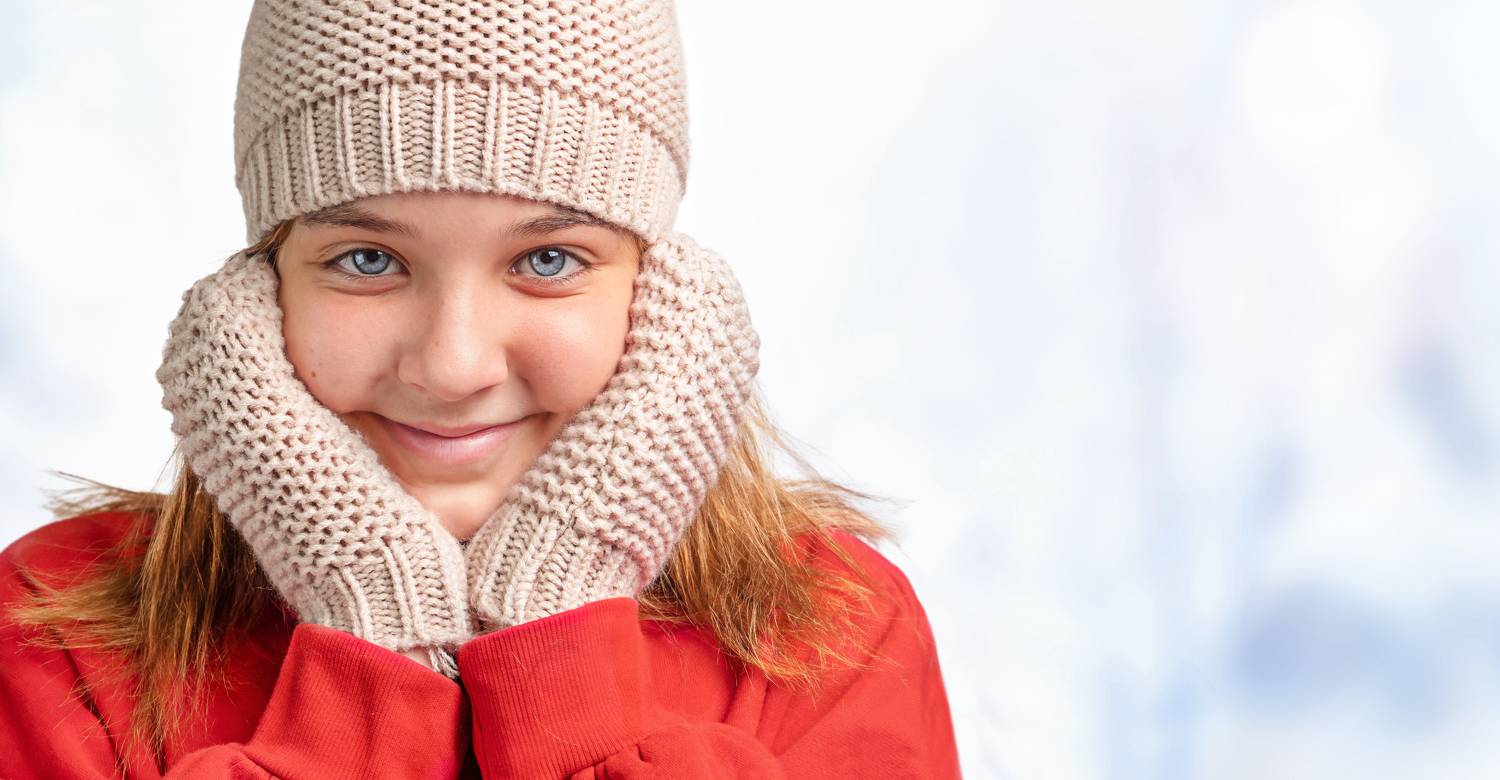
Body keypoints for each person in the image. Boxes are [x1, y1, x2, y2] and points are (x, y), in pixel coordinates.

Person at [0, 1, 962, 776]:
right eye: (367, 259)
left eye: (549, 259)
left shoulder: (833, 630)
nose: (454, 367)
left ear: (666, 297)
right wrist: (373, 623)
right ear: (254, 295)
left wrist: (563, 626)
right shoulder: (54, 634)